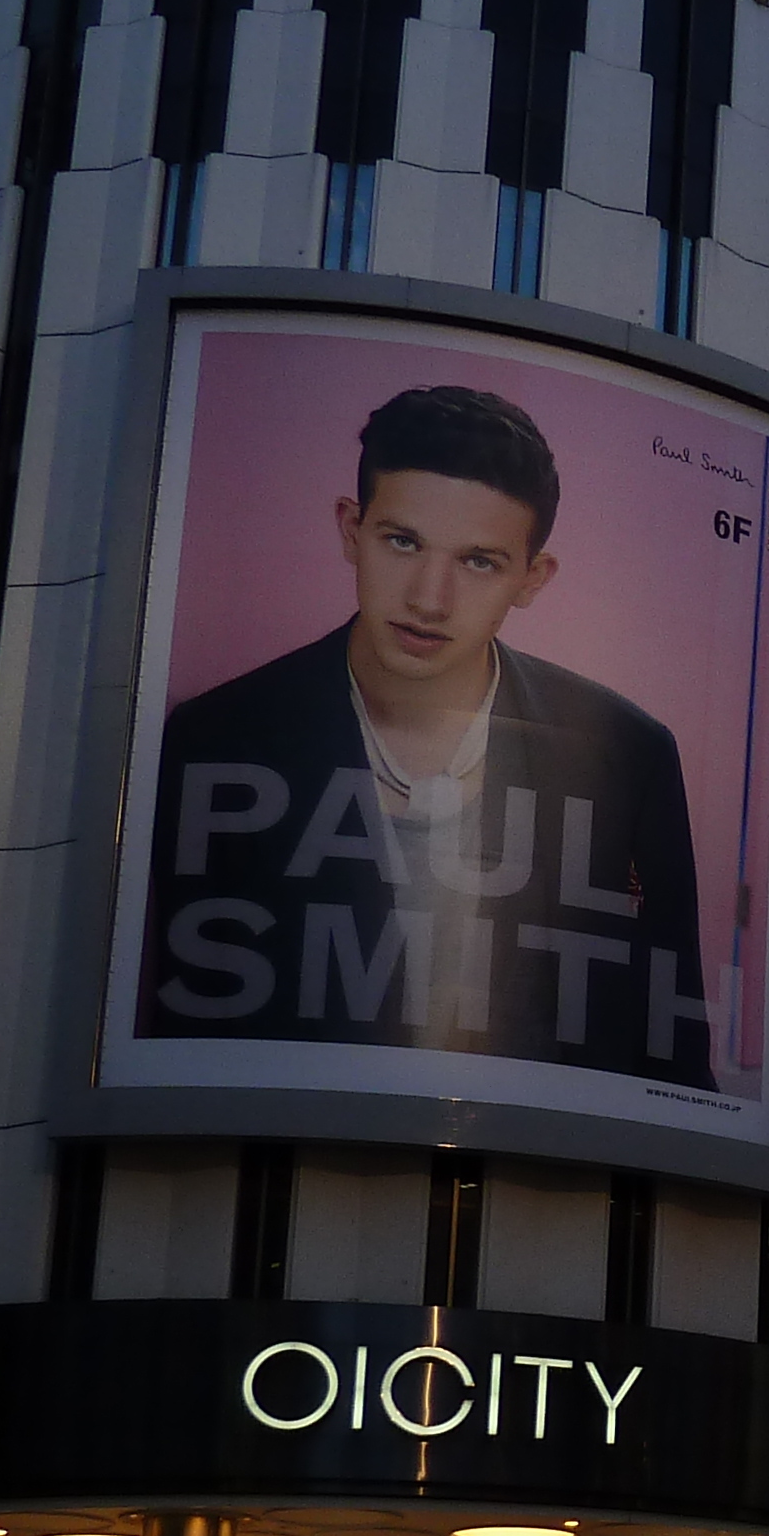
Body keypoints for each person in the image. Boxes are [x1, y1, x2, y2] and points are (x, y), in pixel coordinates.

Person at [131, 382, 709, 1083]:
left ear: (532, 577)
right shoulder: (214, 736)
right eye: (403, 541)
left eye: (478, 561)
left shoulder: (628, 754)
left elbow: (672, 1057)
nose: (428, 600)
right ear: (351, 530)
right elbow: (188, 1035)